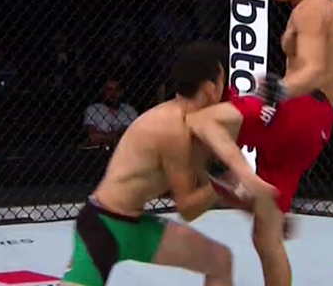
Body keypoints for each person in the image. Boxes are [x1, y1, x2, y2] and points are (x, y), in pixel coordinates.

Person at [186, 0, 333, 286]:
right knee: (266, 235)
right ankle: (243, 188)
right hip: (313, 127)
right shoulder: (317, 7)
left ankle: (241, 179)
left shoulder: (312, 9)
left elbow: (313, 70)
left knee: (199, 119)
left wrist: (281, 90)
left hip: (300, 111)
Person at [60, 41, 275, 286]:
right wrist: (224, 181)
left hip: (136, 224)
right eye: (223, 79)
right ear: (210, 88)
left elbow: (211, 183)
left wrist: (258, 211)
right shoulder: (172, 127)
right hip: (103, 226)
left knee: (219, 259)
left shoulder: (195, 123)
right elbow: (188, 208)